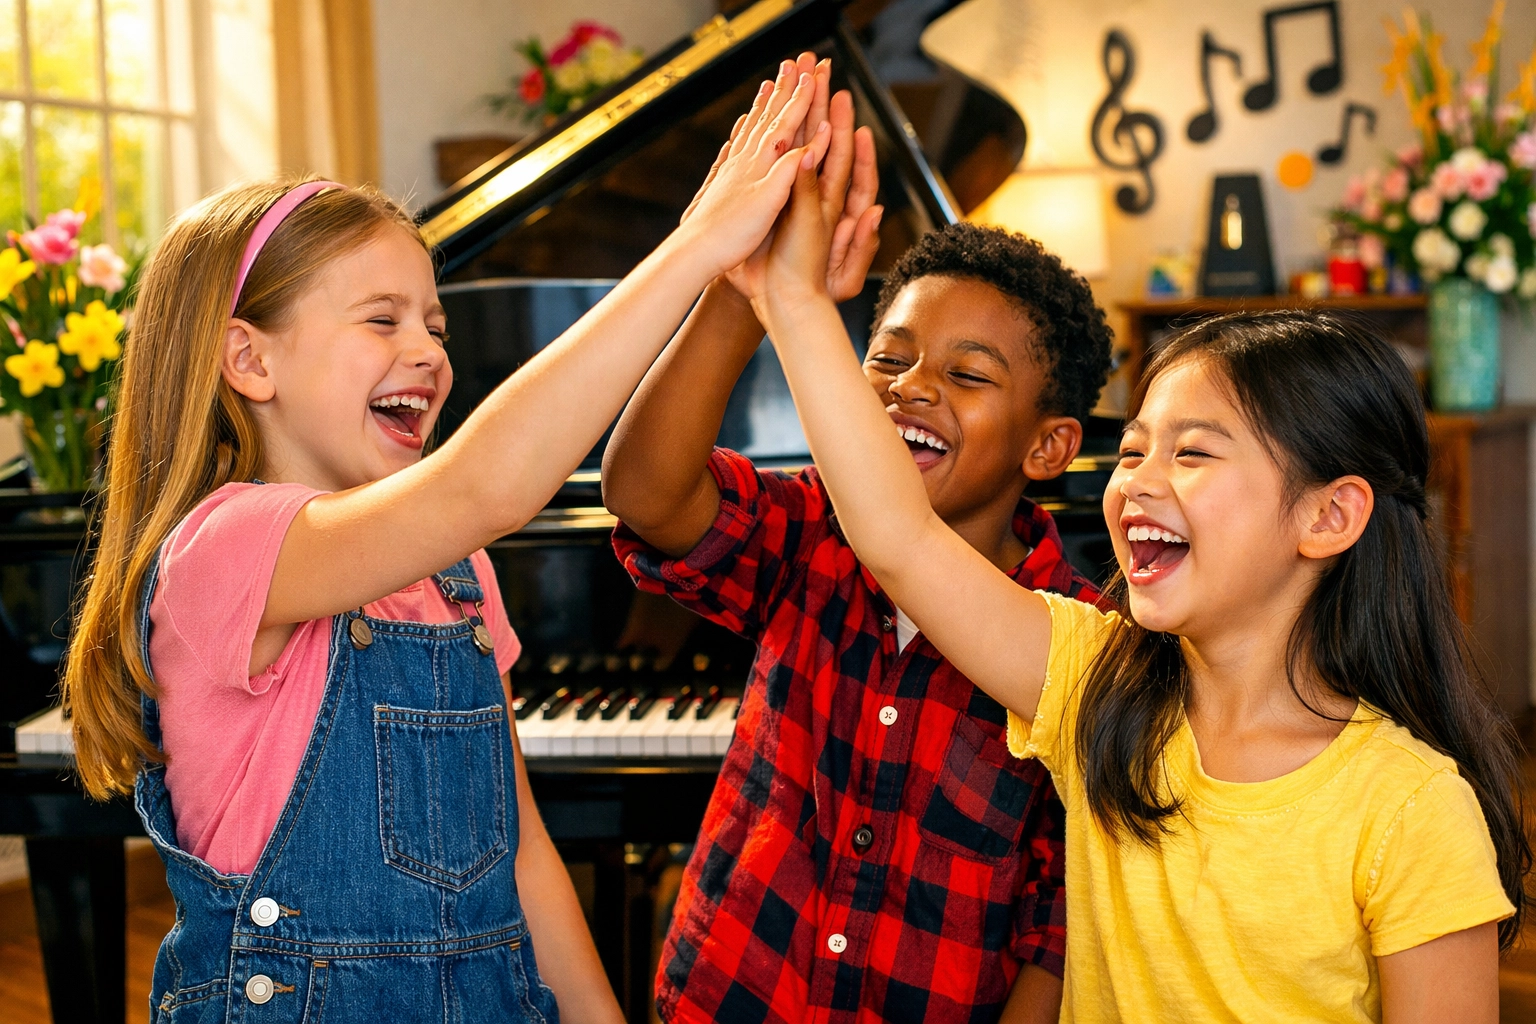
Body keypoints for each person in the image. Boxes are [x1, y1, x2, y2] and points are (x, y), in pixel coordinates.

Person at [62, 62, 830, 1020]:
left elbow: (524, 854)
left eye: (434, 321)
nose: (428, 350)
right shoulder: (220, 547)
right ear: (249, 359)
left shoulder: (451, 570)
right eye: (381, 319)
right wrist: (695, 248)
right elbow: (485, 483)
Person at [736, 146, 1531, 1022]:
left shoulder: (1413, 811)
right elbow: (894, 535)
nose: (1137, 482)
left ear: (1328, 516)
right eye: (1132, 449)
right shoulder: (1096, 685)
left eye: (1191, 452)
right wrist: (793, 300)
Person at [601, 53, 1113, 1024]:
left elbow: (1061, 930)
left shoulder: (1074, 645)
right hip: (732, 996)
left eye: (967, 376)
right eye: (887, 356)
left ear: (1049, 446)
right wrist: (742, 291)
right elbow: (647, 495)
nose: (911, 387)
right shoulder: (809, 534)